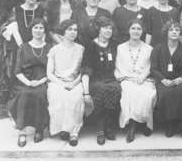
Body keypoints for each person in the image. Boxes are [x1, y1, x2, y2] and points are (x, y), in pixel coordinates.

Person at [9, 18, 52, 147]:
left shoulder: (50, 47)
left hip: (44, 80)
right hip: (25, 81)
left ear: (45, 31)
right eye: (35, 28)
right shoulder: (23, 47)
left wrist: (41, 81)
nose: (38, 30)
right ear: (31, 30)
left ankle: (39, 129)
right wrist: (28, 82)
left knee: (40, 94)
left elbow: (52, 70)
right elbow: (17, 70)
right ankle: (22, 132)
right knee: (24, 94)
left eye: (41, 28)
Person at [150, 21, 182, 140]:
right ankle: (170, 124)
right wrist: (163, 80)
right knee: (166, 93)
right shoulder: (158, 49)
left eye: (177, 30)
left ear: (180, 33)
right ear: (166, 32)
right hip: (163, 80)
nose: (174, 32)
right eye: (171, 30)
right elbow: (153, 68)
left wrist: (180, 79)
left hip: (180, 80)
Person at [115, 19, 156, 143]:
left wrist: (142, 77)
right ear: (128, 30)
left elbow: (149, 66)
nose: (136, 31)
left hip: (143, 78)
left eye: (139, 29)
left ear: (142, 31)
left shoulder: (148, 48)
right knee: (130, 91)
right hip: (127, 78)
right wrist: (129, 77)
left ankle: (146, 123)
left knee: (148, 94)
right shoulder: (121, 47)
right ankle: (132, 127)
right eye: (133, 28)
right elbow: (119, 65)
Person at [81, 16, 121, 145]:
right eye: (105, 28)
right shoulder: (90, 45)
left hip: (112, 78)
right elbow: (86, 68)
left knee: (114, 89)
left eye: (110, 28)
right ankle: (100, 129)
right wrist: (86, 91)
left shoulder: (115, 44)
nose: (108, 31)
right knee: (101, 90)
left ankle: (109, 126)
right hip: (95, 79)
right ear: (98, 29)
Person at [47, 19, 85, 146]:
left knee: (75, 97)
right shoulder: (54, 50)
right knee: (58, 95)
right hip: (58, 82)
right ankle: (62, 129)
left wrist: (75, 83)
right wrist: (63, 84)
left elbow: (83, 71)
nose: (73, 32)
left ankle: (74, 132)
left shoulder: (81, 49)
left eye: (75, 30)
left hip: (75, 81)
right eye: (69, 29)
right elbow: (49, 74)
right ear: (63, 32)